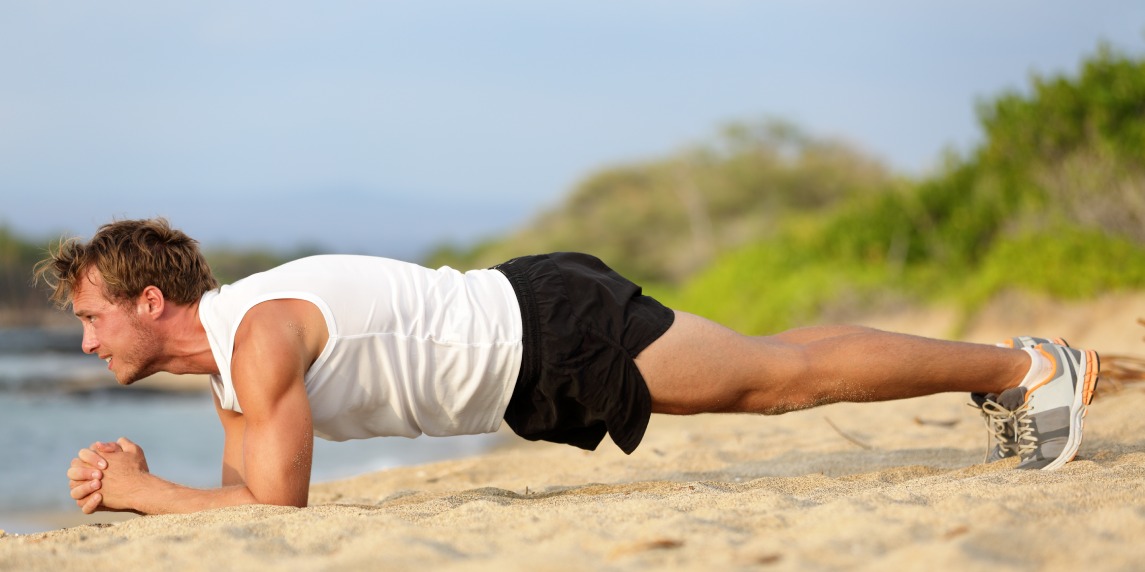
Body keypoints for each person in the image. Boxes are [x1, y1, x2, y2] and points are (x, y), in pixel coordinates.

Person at [37, 218, 1100, 516]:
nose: (85, 340)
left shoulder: (258, 334)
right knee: (778, 370)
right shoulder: (230, 358)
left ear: (149, 301)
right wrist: (148, 491)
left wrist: (138, 488)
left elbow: (276, 509)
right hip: (532, 336)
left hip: (547, 331)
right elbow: (245, 494)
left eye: (90, 317)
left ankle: (1017, 367)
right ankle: (1011, 366)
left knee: (781, 376)